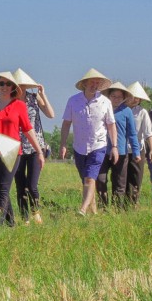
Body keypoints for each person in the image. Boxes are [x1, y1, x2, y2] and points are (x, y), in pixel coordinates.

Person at [0, 71, 46, 226]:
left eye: (8, 84)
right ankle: (10, 223)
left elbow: (28, 129)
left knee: (3, 189)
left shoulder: (19, 105)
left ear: (13, 87)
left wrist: (39, 151)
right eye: (1, 83)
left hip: (12, 152)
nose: (4, 86)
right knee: (0, 190)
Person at [59, 69, 118, 217]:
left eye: (97, 83)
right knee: (86, 180)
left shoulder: (105, 102)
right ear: (84, 84)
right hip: (79, 147)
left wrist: (114, 146)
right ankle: (94, 211)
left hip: (98, 145)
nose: (94, 85)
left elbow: (111, 125)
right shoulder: (73, 101)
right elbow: (66, 124)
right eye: (92, 82)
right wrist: (63, 144)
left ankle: (83, 209)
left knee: (90, 178)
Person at [13, 68, 55, 224]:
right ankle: (24, 218)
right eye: (18, 84)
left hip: (35, 147)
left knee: (32, 184)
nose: (21, 87)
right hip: (16, 147)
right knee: (20, 184)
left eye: (23, 84)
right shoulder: (9, 101)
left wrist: (43, 94)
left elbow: (51, 114)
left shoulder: (34, 98)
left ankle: (35, 212)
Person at [95, 82, 141, 210]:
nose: (116, 99)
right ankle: (103, 207)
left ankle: (117, 209)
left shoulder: (127, 111)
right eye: (113, 96)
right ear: (109, 96)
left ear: (124, 98)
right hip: (102, 150)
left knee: (119, 183)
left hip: (121, 152)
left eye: (119, 97)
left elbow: (132, 133)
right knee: (100, 180)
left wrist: (136, 151)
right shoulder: (102, 108)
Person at [125, 82, 152, 207]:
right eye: (133, 96)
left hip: (137, 149)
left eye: (138, 98)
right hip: (122, 149)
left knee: (136, 178)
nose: (135, 99)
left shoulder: (142, 112)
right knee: (121, 178)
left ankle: (133, 204)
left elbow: (148, 133)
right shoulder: (119, 109)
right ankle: (120, 205)